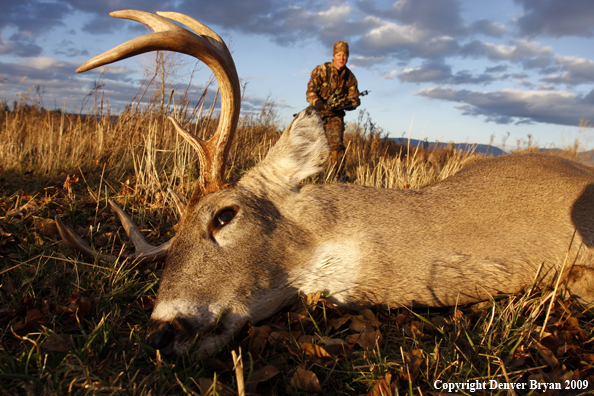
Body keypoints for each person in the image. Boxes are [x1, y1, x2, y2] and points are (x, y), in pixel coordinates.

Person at [306, 41, 361, 174]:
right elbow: (310, 93)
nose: (342, 58)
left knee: (337, 146)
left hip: (335, 116)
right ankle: (310, 175)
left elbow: (355, 99)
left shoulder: (350, 77)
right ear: (334, 56)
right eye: (339, 54)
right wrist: (321, 104)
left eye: (344, 55)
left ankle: (339, 177)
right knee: (312, 146)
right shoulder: (322, 70)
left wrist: (346, 105)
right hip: (317, 114)